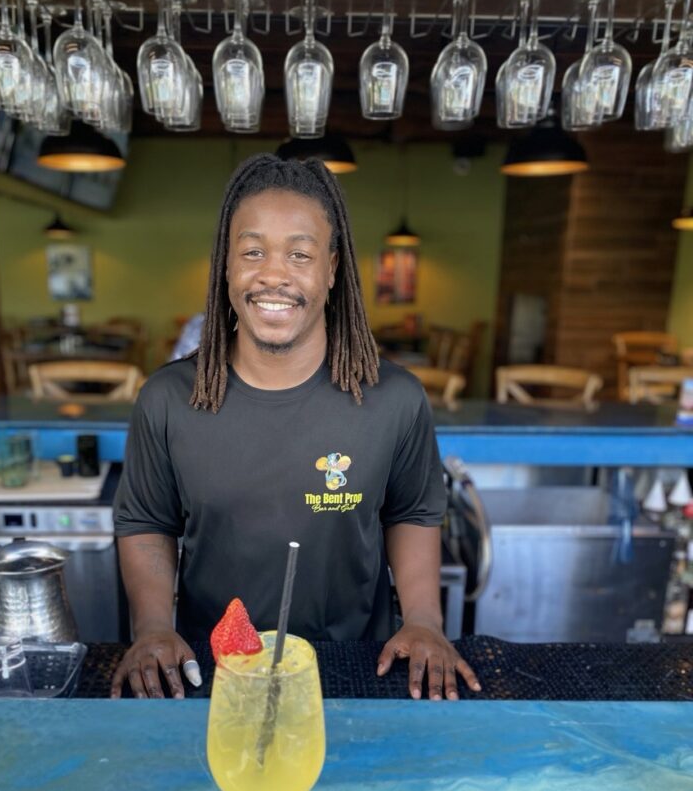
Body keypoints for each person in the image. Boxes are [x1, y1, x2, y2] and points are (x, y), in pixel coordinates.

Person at [112, 153, 480, 702]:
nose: (274, 274)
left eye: (300, 254)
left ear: (333, 268)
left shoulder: (394, 400)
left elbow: (412, 511)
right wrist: (152, 629)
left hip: (357, 668)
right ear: (226, 266)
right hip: (212, 675)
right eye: (253, 251)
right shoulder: (168, 400)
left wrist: (424, 620)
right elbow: (146, 520)